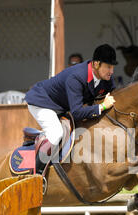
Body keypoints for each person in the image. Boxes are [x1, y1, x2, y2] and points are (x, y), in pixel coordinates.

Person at [24, 44, 117, 173]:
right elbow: (77, 112)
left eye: (113, 67)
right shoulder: (77, 77)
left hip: (62, 106)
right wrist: (102, 106)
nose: (111, 71)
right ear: (96, 64)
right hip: (42, 102)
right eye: (108, 67)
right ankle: (35, 176)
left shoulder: (106, 78)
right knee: (56, 133)